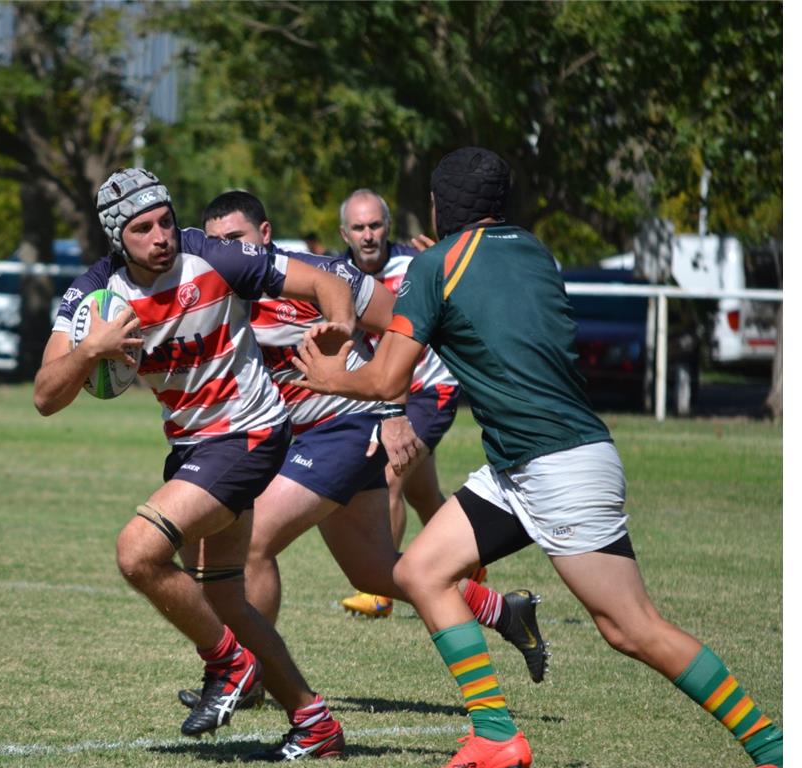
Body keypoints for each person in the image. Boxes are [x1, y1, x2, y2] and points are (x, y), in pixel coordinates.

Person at [293, 147, 782, 768]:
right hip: (524, 466)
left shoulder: (436, 264)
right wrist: (433, 269)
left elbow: (389, 377)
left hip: (556, 466)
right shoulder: (532, 251)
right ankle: (495, 737)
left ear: (440, 207)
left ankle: (775, 754)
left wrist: (331, 375)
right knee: (420, 570)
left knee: (631, 628)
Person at [172, 192, 546, 718]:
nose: (225, 251)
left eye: (235, 240)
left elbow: (401, 324)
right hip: (304, 436)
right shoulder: (221, 288)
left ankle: (248, 677)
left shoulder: (315, 274)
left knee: (250, 544)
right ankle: (504, 611)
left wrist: (393, 411)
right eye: (215, 243)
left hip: (346, 427)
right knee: (373, 571)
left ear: (265, 234)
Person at [35, 169, 352, 761]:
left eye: (164, 220)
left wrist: (340, 335)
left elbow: (326, 281)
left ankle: (229, 666)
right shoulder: (94, 298)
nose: (161, 235)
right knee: (227, 598)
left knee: (137, 552)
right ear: (115, 238)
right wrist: (90, 351)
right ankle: (315, 723)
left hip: (250, 432)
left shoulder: (216, 258)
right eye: (141, 228)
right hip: (193, 445)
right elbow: (46, 397)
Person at [336, 188, 463, 620]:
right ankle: (474, 566)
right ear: (344, 232)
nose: (368, 235)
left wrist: (447, 267)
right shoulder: (336, 276)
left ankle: (380, 591)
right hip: (388, 394)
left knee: (391, 472)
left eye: (375, 225)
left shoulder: (416, 263)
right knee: (422, 493)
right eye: (359, 227)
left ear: (387, 227)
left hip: (430, 388)